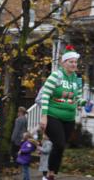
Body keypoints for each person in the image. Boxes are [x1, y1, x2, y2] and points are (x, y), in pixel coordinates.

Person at [40, 45, 86, 180]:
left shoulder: (76, 79)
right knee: (59, 143)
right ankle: (48, 172)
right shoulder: (56, 76)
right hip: (53, 115)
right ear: (63, 62)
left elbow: (77, 97)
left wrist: (83, 102)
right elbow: (45, 96)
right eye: (71, 61)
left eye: (75, 62)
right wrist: (43, 116)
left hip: (69, 118)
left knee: (60, 147)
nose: (74, 64)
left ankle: (52, 173)